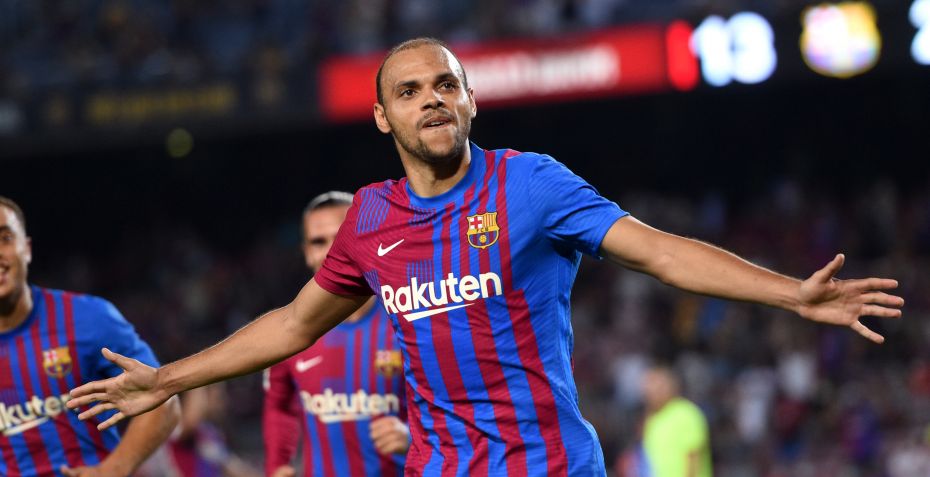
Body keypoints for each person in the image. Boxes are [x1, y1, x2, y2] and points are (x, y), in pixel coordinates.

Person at [66, 38, 904, 476]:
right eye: (409, 91)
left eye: (446, 84)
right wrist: (168, 377)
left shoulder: (530, 184)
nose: (432, 98)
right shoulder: (370, 216)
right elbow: (293, 324)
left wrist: (792, 294)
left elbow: (657, 251)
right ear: (383, 118)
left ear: (471, 99)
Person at [0, 195, 180, 477]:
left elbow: (164, 402)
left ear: (27, 249)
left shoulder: (87, 318)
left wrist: (112, 469)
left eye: (5, 238)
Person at [262, 191, 407, 477]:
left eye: (341, 237)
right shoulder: (287, 331)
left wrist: (411, 437)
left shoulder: (407, 320)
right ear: (306, 252)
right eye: (319, 242)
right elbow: (279, 405)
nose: (332, 251)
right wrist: (278, 465)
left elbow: (452, 406)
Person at [639, 366, 712, 477]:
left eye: (658, 387)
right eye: (649, 388)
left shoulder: (685, 413)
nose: (652, 393)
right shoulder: (653, 419)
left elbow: (693, 458)